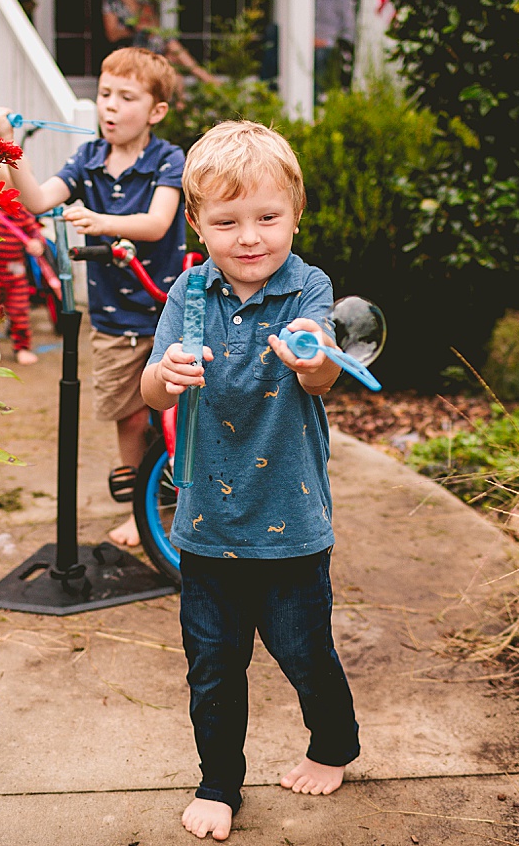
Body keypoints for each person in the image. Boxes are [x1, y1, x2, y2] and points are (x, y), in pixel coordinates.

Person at [140, 120, 359, 842]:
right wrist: (163, 376)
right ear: (197, 224)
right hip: (205, 527)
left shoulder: (307, 288)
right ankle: (218, 784)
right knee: (212, 667)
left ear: (297, 213)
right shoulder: (190, 293)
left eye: (267, 217)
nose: (249, 237)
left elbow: (324, 372)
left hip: (290, 523)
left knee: (305, 654)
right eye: (227, 221)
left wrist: (310, 359)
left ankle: (332, 745)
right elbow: (149, 391)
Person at [0, 46, 189, 548]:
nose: (110, 107)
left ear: (156, 111)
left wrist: (101, 223)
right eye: (103, 94)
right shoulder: (88, 158)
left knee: (182, 412)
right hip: (115, 318)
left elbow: (157, 223)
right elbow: (35, 200)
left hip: (168, 308)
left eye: (126, 97)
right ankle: (140, 511)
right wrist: (7, 144)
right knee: (129, 412)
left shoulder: (168, 159)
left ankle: (182, 504)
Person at [102, 0, 218, 85]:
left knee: (171, 62)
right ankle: (206, 78)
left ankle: (182, 101)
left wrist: (149, 26)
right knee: (172, 48)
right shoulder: (112, 1)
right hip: (129, 49)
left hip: (152, 46)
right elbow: (112, 34)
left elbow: (155, 27)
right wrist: (134, 29)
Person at [0, 205, 47, 365]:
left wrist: (37, 243)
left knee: (19, 310)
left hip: (15, 272)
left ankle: (22, 347)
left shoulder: (21, 211)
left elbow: (34, 231)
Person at [314, 0, 356, 97]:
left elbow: (349, 32)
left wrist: (327, 43)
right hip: (300, 44)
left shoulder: (341, 0)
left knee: (319, 55)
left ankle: (315, 103)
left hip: (328, 48)